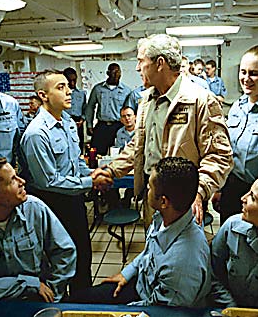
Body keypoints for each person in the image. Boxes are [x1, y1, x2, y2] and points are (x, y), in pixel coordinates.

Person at [95, 34, 233, 228]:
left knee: (180, 256)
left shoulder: (200, 100)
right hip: (151, 198)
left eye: (141, 61)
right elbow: (139, 146)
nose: (137, 67)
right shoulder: (146, 101)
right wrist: (111, 170)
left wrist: (199, 191)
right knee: (156, 252)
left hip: (182, 203)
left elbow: (219, 156)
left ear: (160, 63)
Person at [71, 157, 211, 307]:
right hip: (142, 284)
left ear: (163, 201)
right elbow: (149, 253)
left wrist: (122, 311)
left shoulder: (182, 265)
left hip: (150, 303)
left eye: (150, 187)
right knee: (76, 300)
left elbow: (160, 311)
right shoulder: (168, 217)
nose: (147, 189)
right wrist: (127, 274)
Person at [20, 70, 113, 293]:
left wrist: (93, 175)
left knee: (82, 258)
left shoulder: (68, 122)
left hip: (73, 201)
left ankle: (84, 303)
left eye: (67, 86)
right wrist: (90, 183)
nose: (69, 91)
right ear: (43, 95)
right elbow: (48, 181)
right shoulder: (36, 134)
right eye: (60, 87)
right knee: (58, 263)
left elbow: (75, 162)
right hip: (51, 206)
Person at [0, 157, 76, 302]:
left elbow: (65, 251)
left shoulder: (34, 208)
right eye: (13, 180)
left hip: (41, 299)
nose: (22, 181)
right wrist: (28, 284)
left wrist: (53, 292)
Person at [214, 45, 258, 224]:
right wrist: (219, 188)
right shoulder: (238, 107)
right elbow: (228, 153)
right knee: (230, 239)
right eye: (243, 72)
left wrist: (254, 196)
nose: (246, 79)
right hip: (231, 188)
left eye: (254, 73)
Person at [211, 174, 258, 308]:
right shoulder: (232, 227)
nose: (243, 198)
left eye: (253, 197)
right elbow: (213, 274)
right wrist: (231, 307)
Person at [85, 63, 131, 155]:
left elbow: (129, 111)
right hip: (102, 126)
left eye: (119, 73)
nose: (117, 75)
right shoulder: (98, 89)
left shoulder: (126, 91)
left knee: (118, 154)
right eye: (114, 72)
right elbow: (90, 107)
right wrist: (89, 125)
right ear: (108, 73)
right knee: (96, 153)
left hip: (118, 126)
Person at [63, 67, 86, 152]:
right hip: (65, 122)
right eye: (69, 80)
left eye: (74, 80)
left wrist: (82, 119)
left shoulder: (81, 93)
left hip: (78, 122)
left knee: (79, 145)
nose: (72, 83)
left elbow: (85, 108)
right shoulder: (61, 94)